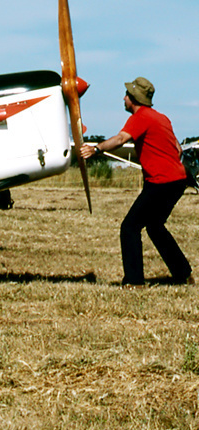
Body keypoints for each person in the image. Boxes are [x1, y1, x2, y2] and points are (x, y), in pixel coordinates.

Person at [80, 77, 192, 287]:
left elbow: (120, 139)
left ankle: (134, 281)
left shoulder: (141, 117)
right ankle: (183, 274)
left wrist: (96, 149)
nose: (124, 98)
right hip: (177, 180)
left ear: (133, 99)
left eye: (127, 95)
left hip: (161, 182)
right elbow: (177, 149)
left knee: (129, 227)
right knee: (155, 226)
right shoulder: (161, 118)